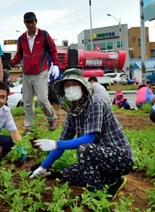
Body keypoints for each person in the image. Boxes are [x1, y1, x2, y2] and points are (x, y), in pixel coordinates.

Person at [29, 69, 134, 199]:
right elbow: (62, 142)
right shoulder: (72, 112)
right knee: (67, 174)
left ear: (83, 87)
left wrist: (55, 144)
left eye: (75, 84)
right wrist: (43, 167)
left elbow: (88, 139)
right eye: (67, 85)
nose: (71, 88)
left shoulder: (95, 103)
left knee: (84, 148)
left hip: (119, 157)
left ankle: (95, 194)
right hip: (99, 158)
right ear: (63, 90)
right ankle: (113, 181)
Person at [10, 12, 59, 133]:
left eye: (32, 22)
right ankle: (29, 126)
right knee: (27, 101)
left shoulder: (44, 35)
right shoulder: (22, 38)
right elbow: (19, 55)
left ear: (36, 22)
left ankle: (52, 119)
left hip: (41, 72)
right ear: (24, 24)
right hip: (27, 73)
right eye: (27, 22)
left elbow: (53, 50)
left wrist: (56, 64)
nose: (30, 24)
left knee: (42, 99)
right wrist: (11, 63)